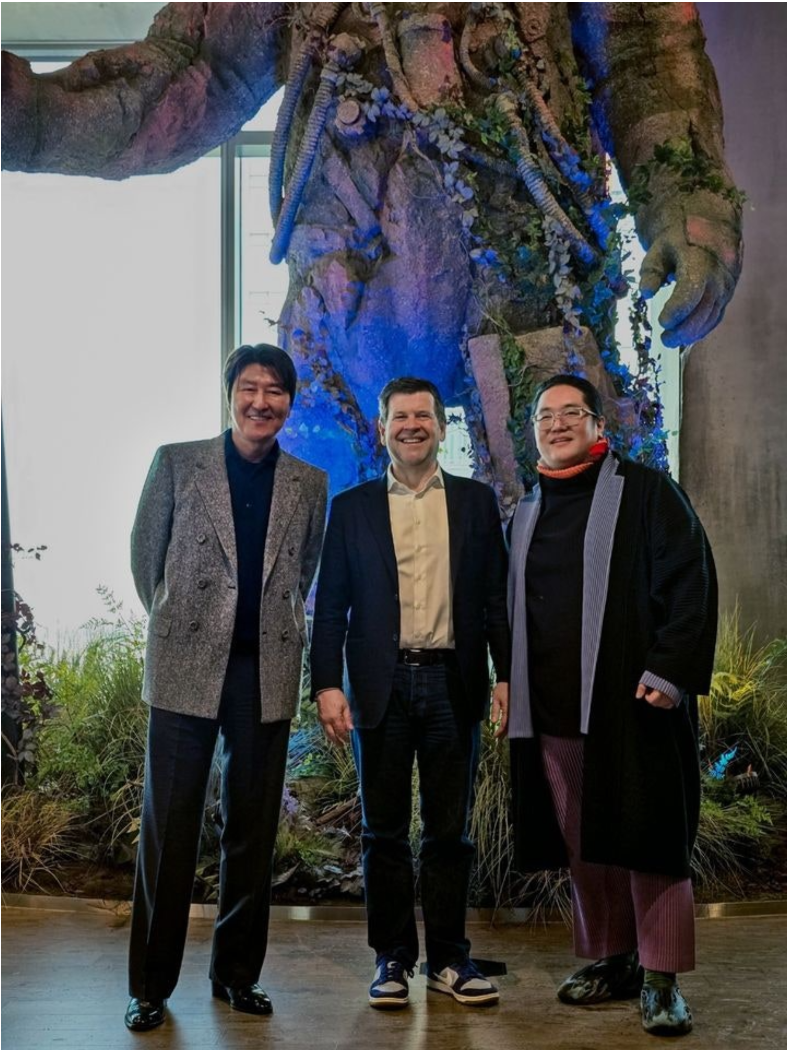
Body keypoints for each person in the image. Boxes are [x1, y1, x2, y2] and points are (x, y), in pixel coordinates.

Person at [1, 4, 742, 494]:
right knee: (328, 566)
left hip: (530, 276)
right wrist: (35, 118)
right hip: (344, 295)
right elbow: (197, 63)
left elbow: (642, 46)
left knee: (561, 551)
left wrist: (689, 201)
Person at [125, 343, 327, 1032]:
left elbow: (301, 572)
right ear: (230, 393)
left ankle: (236, 974)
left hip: (263, 672)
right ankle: (149, 985)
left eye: (275, 390)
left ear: (289, 403)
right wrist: (181, 622)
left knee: (252, 828)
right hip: (185, 666)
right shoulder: (178, 464)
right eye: (249, 387)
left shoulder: (308, 483)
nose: (260, 401)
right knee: (170, 827)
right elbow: (146, 560)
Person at [507, 374, 717, 1037]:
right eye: (546, 415)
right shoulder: (526, 511)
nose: (558, 423)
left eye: (572, 412)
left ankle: (662, 978)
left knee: (650, 838)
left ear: (599, 425)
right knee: (585, 843)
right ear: (534, 431)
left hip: (634, 702)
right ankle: (614, 958)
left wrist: (671, 669)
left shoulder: (647, 492)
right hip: (553, 710)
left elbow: (692, 578)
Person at [310, 376, 510, 1009]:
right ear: (382, 428)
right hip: (380, 685)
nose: (412, 426)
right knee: (383, 832)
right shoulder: (352, 508)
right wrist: (326, 684)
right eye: (400, 417)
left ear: (442, 428)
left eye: (423, 415)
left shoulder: (476, 503)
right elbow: (330, 607)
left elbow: (496, 599)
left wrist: (506, 675)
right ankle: (393, 958)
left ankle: (449, 958)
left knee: (450, 832)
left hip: (454, 682)